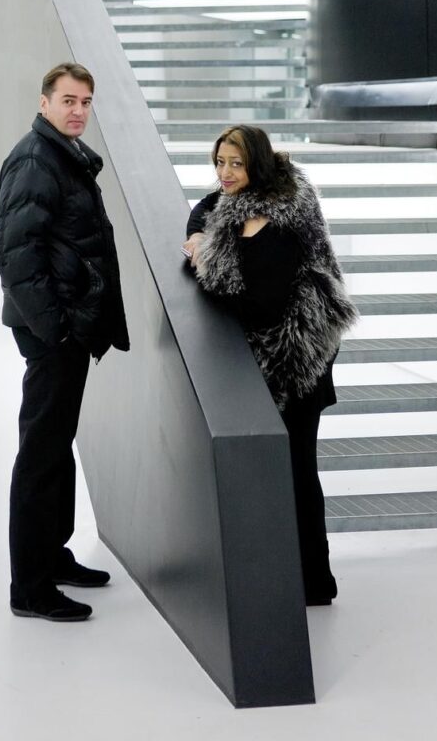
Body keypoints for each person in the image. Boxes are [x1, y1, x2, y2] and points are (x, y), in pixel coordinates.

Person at [183, 125, 356, 605]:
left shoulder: (282, 217)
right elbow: (204, 208)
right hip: (273, 352)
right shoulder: (240, 199)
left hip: (298, 357)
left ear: (256, 164)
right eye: (219, 162)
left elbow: (261, 303)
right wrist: (198, 234)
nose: (225, 173)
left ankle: (314, 583)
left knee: (298, 470)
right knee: (283, 470)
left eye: (235, 164)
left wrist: (206, 261)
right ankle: (286, 573)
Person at [0, 62, 129, 622]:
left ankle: (53, 555)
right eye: (68, 100)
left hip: (67, 329)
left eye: (85, 102)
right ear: (45, 101)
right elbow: (16, 257)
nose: (77, 111)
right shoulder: (33, 159)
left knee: (57, 445)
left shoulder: (63, 156)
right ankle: (29, 586)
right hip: (53, 332)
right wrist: (59, 329)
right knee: (41, 455)